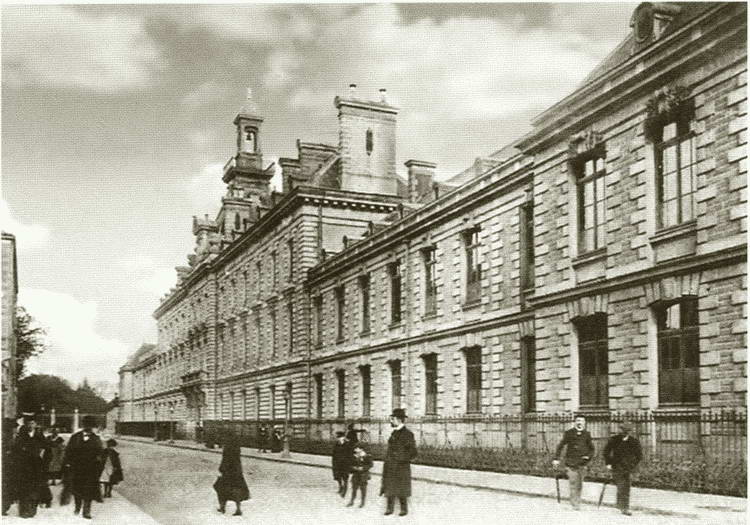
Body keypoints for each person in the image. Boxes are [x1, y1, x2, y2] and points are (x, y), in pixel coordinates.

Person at [62, 415, 104, 519]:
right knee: (77, 489)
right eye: (86, 425)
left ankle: (86, 511)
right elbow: (68, 451)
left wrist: (98, 466)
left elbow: (100, 454)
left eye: (90, 426)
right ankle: (77, 506)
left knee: (88, 490)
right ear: (84, 425)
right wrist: (67, 463)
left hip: (90, 469)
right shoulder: (75, 437)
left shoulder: (96, 439)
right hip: (77, 468)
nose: (88, 427)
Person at [553, 414, 594, 510]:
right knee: (573, 482)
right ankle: (575, 504)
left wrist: (588, 456)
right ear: (575, 422)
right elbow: (561, 445)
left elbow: (592, 449)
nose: (580, 423)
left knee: (579, 484)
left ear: (584, 423)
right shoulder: (569, 433)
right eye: (578, 420)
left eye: (582, 421)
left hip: (582, 463)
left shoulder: (587, 434)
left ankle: (577, 501)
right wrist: (556, 458)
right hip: (571, 462)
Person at [381, 408, 417, 517]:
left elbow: (413, 452)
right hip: (390, 465)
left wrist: (400, 458)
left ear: (399, 419)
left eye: (392, 419)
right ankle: (389, 508)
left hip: (401, 466)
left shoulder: (408, 434)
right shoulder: (394, 433)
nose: (391, 421)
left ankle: (404, 509)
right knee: (390, 485)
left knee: (402, 487)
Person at [11, 414, 46, 518]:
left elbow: (46, 447)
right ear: (26, 425)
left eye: (32, 423)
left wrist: (42, 456)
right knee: (24, 488)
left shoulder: (39, 435)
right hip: (24, 465)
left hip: (36, 465)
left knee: (35, 487)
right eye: (28, 423)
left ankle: (32, 509)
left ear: (36, 424)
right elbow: (15, 449)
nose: (30, 425)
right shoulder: (21, 435)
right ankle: (24, 511)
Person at [604, 422, 642, 516]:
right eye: (620, 429)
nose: (621, 431)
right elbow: (606, 452)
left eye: (624, 430)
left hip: (628, 468)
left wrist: (632, 465)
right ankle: (622, 507)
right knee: (621, 486)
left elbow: (639, 456)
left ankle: (623, 507)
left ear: (628, 431)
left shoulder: (634, 441)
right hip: (616, 466)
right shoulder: (614, 440)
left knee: (626, 487)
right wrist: (608, 463)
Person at [213, 433, 250, 516]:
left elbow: (225, 460)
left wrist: (221, 469)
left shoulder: (227, 448)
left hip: (227, 472)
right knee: (236, 490)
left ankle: (222, 507)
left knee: (220, 488)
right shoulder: (237, 448)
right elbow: (238, 461)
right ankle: (238, 509)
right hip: (237, 472)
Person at [331, 431, 352, 497]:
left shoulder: (348, 444)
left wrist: (349, 464)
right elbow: (334, 454)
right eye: (338, 438)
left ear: (343, 437)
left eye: (339, 437)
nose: (338, 439)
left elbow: (350, 454)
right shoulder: (336, 444)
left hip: (345, 464)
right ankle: (340, 487)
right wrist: (334, 462)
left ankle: (344, 491)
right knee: (338, 476)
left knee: (345, 478)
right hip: (337, 463)